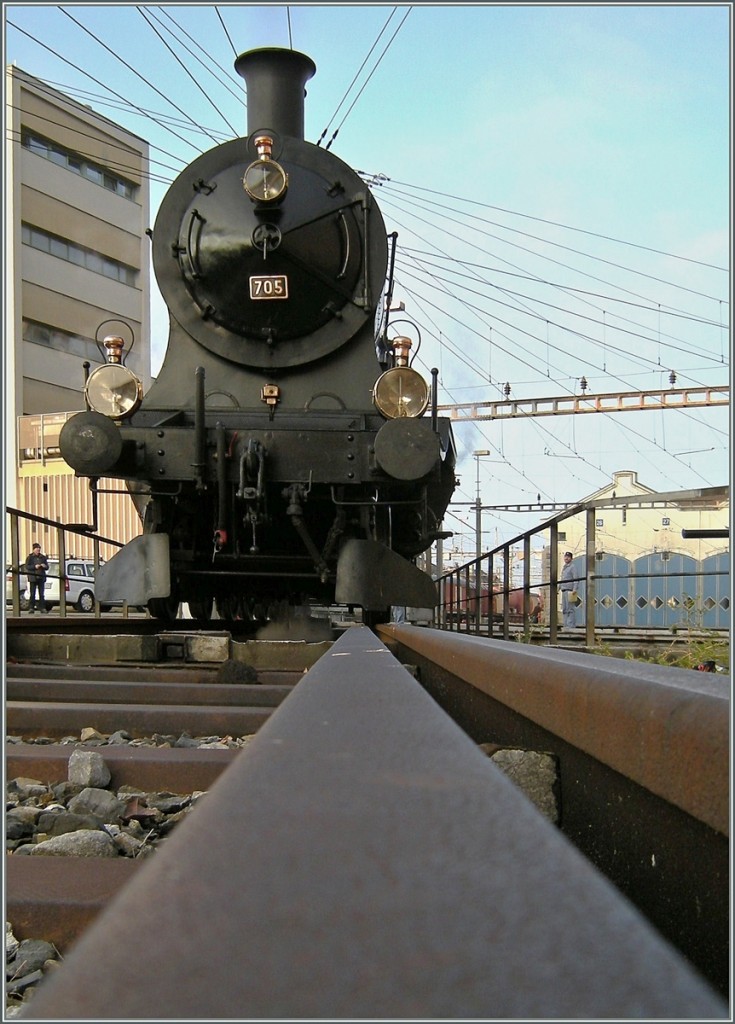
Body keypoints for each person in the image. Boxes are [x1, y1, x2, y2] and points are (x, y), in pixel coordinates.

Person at [25, 542, 49, 614]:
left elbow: (47, 567)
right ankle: (31, 608)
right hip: (33, 577)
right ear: (34, 549)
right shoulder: (30, 557)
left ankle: (42, 608)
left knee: (41, 594)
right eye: (37, 548)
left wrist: (44, 566)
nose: (38, 550)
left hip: (41, 577)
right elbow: (27, 566)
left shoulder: (43, 557)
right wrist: (34, 567)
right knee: (32, 594)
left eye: (39, 548)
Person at [559, 550, 577, 628]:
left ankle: (571, 625)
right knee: (565, 609)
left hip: (570, 590)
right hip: (564, 590)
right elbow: (562, 579)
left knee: (570, 609)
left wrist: (575, 589)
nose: (566, 558)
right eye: (565, 557)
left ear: (571, 558)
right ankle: (565, 624)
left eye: (568, 557)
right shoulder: (564, 568)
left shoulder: (572, 567)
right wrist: (558, 588)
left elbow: (576, 578)